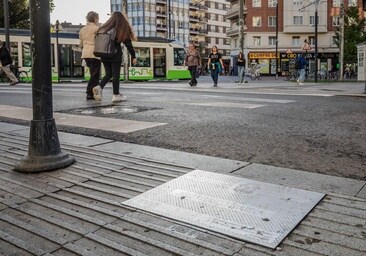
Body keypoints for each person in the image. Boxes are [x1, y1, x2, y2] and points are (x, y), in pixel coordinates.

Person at [92, 11, 137, 103]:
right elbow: (128, 44)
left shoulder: (104, 27)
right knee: (115, 75)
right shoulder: (120, 28)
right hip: (115, 55)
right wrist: (133, 56)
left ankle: (99, 87)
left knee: (109, 74)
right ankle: (116, 95)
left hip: (104, 54)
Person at [79, 11, 101, 100]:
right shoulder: (97, 28)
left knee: (93, 74)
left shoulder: (82, 29)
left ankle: (93, 93)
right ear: (95, 19)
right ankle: (89, 92)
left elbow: (80, 44)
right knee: (95, 75)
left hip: (85, 54)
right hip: (94, 54)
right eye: (98, 18)